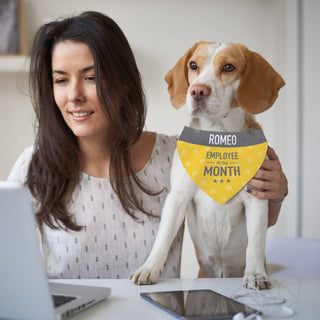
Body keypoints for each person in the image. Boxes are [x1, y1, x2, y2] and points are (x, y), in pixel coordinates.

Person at [8, 11, 288, 280]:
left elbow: (239, 212)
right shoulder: (32, 167)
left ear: (125, 83)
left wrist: (276, 192)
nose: (74, 95)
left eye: (91, 77)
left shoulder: (177, 154)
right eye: (60, 80)